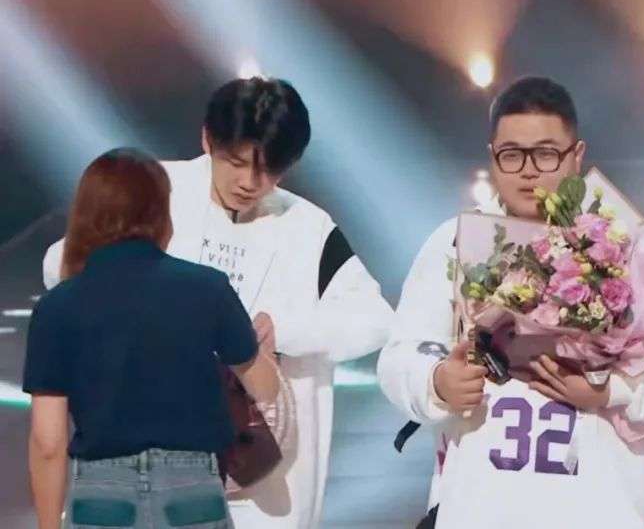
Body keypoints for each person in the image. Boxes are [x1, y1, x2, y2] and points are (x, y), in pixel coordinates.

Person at [377, 76, 644, 528]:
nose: (528, 171)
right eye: (512, 154)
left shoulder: (628, 242)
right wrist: (437, 382)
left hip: (605, 506)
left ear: (576, 155)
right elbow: (400, 355)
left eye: (546, 153)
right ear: (492, 156)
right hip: (482, 505)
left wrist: (615, 392)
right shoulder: (454, 242)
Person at [42, 77, 394, 529]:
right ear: (207, 138)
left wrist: (286, 328)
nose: (250, 183)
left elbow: (375, 319)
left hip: (261, 469)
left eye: (269, 170)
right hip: (144, 462)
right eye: (236, 162)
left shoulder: (309, 228)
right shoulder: (155, 189)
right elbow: (61, 264)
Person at [24, 147, 279, 529]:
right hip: (192, 492)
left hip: (100, 496)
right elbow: (264, 388)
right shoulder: (207, 288)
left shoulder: (57, 306)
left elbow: (48, 441)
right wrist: (265, 350)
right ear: (161, 212)